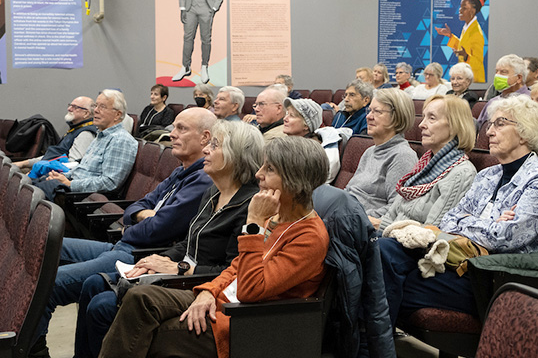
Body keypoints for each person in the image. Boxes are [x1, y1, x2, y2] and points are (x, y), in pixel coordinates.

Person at [97, 136, 330, 358]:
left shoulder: (309, 237)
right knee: (140, 297)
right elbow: (236, 266)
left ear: (294, 180)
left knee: (158, 332)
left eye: (269, 169)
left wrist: (254, 226)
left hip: (247, 321)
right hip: (222, 299)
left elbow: (250, 290)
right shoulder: (275, 216)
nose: (258, 174)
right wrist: (208, 291)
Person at [29, 108, 218, 357]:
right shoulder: (180, 170)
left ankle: (30, 350)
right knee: (45, 244)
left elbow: (157, 229)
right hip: (125, 242)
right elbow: (136, 207)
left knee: (50, 283)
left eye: (181, 128)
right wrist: (143, 215)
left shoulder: (203, 179)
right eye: (173, 127)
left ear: (205, 137)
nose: (172, 134)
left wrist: (143, 217)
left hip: (139, 253)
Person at [74, 120, 264, 358]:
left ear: (238, 155)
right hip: (177, 274)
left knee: (102, 307)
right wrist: (156, 259)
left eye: (215, 146)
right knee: (93, 283)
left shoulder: (249, 205)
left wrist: (179, 267)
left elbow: (231, 271)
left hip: (197, 282)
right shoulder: (213, 191)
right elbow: (187, 242)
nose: (206, 150)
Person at [380, 94, 538, 326]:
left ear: (525, 132)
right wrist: (492, 221)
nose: (489, 132)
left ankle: (372, 346)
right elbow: (449, 221)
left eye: (500, 123)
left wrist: (472, 222)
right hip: (461, 261)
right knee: (385, 250)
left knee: (388, 282)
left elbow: (505, 237)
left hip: (493, 277)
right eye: (490, 124)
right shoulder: (488, 175)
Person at [372, 94, 477, 231]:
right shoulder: (425, 164)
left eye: (431, 118)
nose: (421, 125)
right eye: (423, 117)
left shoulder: (462, 174)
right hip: (388, 238)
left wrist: (380, 228)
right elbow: (390, 216)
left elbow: (429, 233)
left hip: (410, 248)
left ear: (454, 126)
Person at [33, 89, 138, 202]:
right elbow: (83, 169)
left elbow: (110, 183)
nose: (96, 110)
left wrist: (70, 184)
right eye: (96, 106)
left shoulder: (120, 140)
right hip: (75, 187)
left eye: (102, 107)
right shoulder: (101, 136)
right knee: (32, 185)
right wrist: (63, 176)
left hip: (83, 198)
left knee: (33, 195)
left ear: (117, 115)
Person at [346, 88, 418, 219]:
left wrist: (355, 217)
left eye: (377, 111)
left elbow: (395, 208)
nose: (368, 116)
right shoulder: (369, 151)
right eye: (369, 110)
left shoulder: (402, 156)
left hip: (362, 224)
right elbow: (349, 190)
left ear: (396, 118)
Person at [172, 0, 225, 84]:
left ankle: (204, 67)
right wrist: (183, 7)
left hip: (207, 7)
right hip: (190, 7)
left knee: (206, 39)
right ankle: (185, 67)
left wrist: (214, 7)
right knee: (187, 37)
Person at [13, 96, 96, 170]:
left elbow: (71, 165)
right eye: (70, 105)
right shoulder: (75, 129)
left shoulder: (85, 134)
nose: (69, 109)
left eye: (75, 107)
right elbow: (53, 156)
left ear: (86, 113)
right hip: (46, 168)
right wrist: (24, 163)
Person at [435, 0, 489, 83]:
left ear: (472, 11)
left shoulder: (476, 33)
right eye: (460, 7)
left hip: (474, 81)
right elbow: (463, 46)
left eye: (464, 8)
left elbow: (478, 63)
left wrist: (466, 56)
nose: (460, 10)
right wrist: (450, 36)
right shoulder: (467, 27)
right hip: (465, 79)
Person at [282, 98, 340, 183]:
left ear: (306, 125)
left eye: (292, 115)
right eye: (286, 114)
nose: (285, 118)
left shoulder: (311, 154)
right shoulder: (287, 144)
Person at [476, 54, 529, 129]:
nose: (497, 75)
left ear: (519, 78)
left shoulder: (530, 102)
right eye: (496, 71)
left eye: (503, 72)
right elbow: (480, 130)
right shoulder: (492, 102)